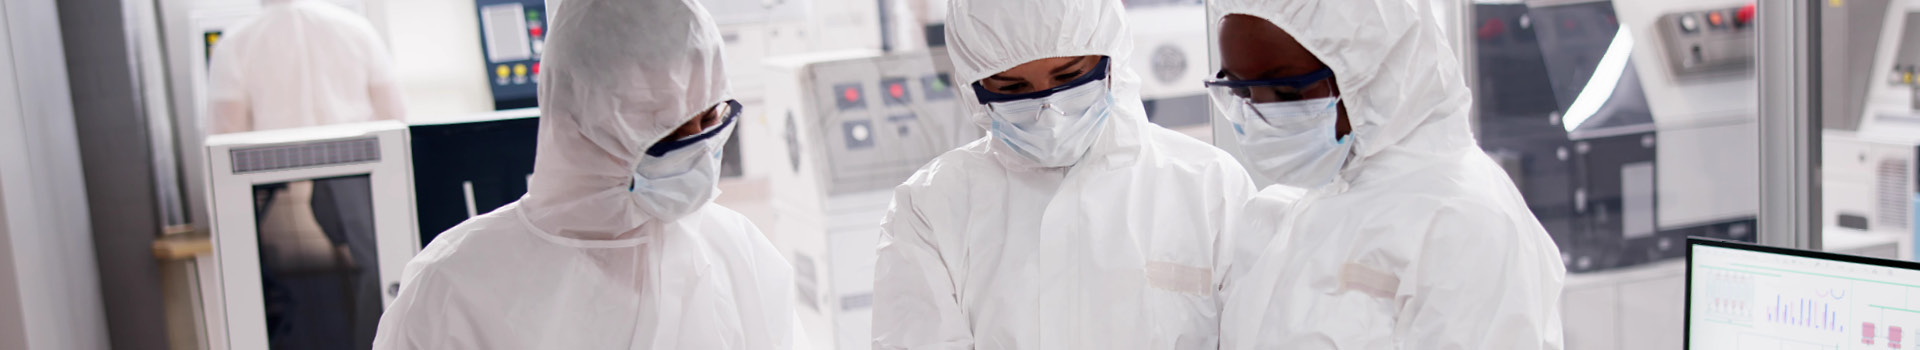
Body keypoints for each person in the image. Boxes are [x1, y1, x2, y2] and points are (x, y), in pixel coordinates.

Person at [369, 0, 794, 348]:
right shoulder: (453, 290)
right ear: (582, 125)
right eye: (669, 131)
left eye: (709, 121)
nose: (699, 152)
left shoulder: (735, 250)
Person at [869, 0, 1258, 348]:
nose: (1050, 112)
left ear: (1111, 61)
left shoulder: (1210, 185)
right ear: (976, 89)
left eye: (1069, 77)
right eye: (1013, 88)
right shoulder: (931, 206)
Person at [1205, 0, 1566, 349]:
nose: (1262, 117)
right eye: (1240, 90)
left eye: (1288, 92)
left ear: (1377, 71)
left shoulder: (1465, 222)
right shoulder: (1305, 203)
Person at [206, 0, 405, 134]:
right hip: (357, 179)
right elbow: (394, 117)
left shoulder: (235, 42)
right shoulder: (358, 29)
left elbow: (227, 135)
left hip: (276, 182)